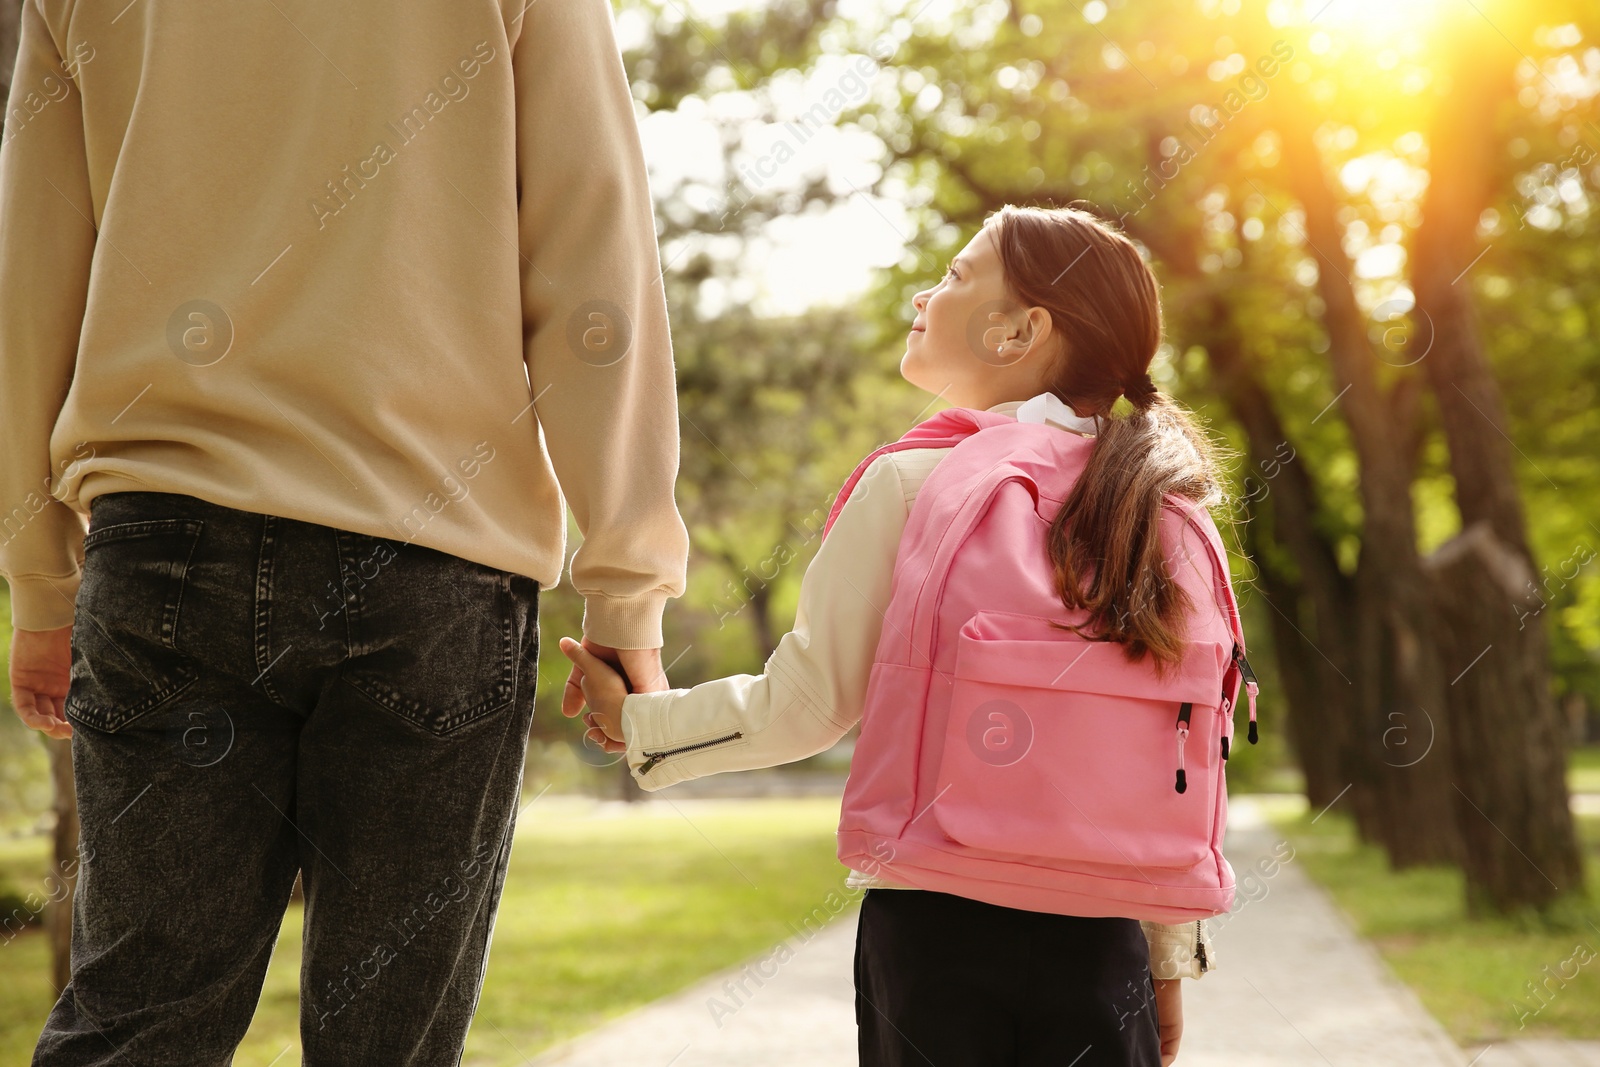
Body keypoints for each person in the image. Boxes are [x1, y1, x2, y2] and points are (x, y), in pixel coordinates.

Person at [0, 0, 688, 1061]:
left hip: (165, 541)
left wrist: (39, 582)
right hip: (434, 560)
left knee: (135, 1020)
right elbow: (593, 257)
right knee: (389, 1040)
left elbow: (31, 283)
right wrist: (626, 590)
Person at [561, 203, 1231, 1067]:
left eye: (954, 276)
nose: (924, 293)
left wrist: (640, 722)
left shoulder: (917, 483)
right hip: (1104, 945)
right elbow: (1174, 748)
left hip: (935, 935)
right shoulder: (1160, 507)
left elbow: (805, 704)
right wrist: (1167, 956)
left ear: (1020, 330)